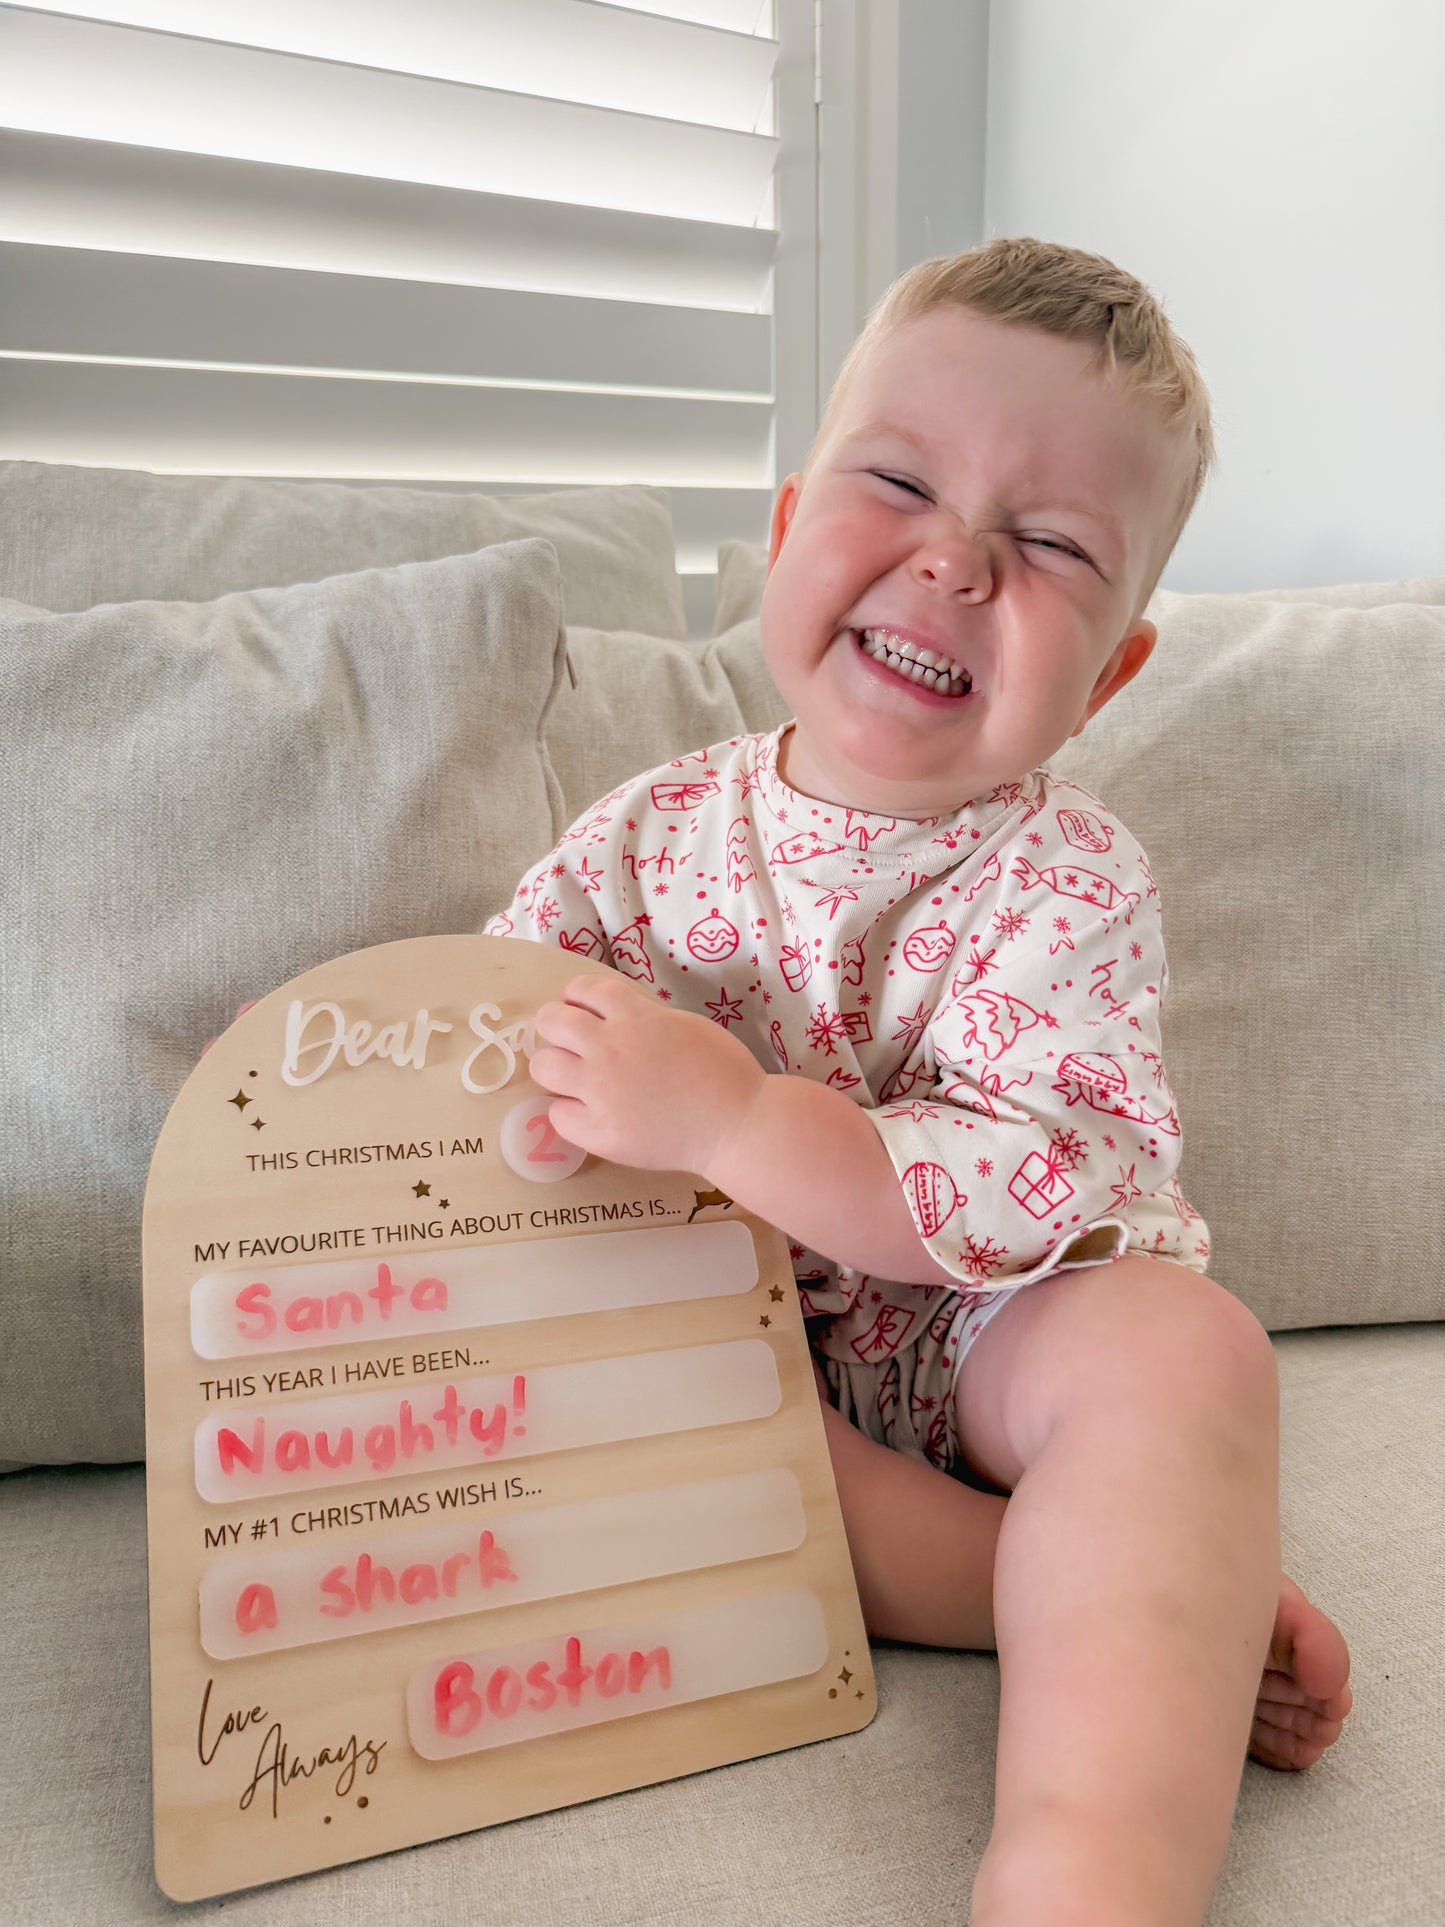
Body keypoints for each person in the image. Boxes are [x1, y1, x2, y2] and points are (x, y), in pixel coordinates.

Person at [487, 237, 1352, 1925]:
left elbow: (1025, 1184)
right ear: (790, 530)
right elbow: (502, 1053)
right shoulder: (640, 837)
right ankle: (1163, 1591)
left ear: (1106, 673)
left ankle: (1088, 1867)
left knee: (1182, 1355)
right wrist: (555, 1115)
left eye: (1044, 546)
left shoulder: (1071, 880)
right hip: (751, 1382)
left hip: (993, 1341)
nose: (953, 563)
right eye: (899, 484)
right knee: (638, 1453)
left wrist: (737, 1121)